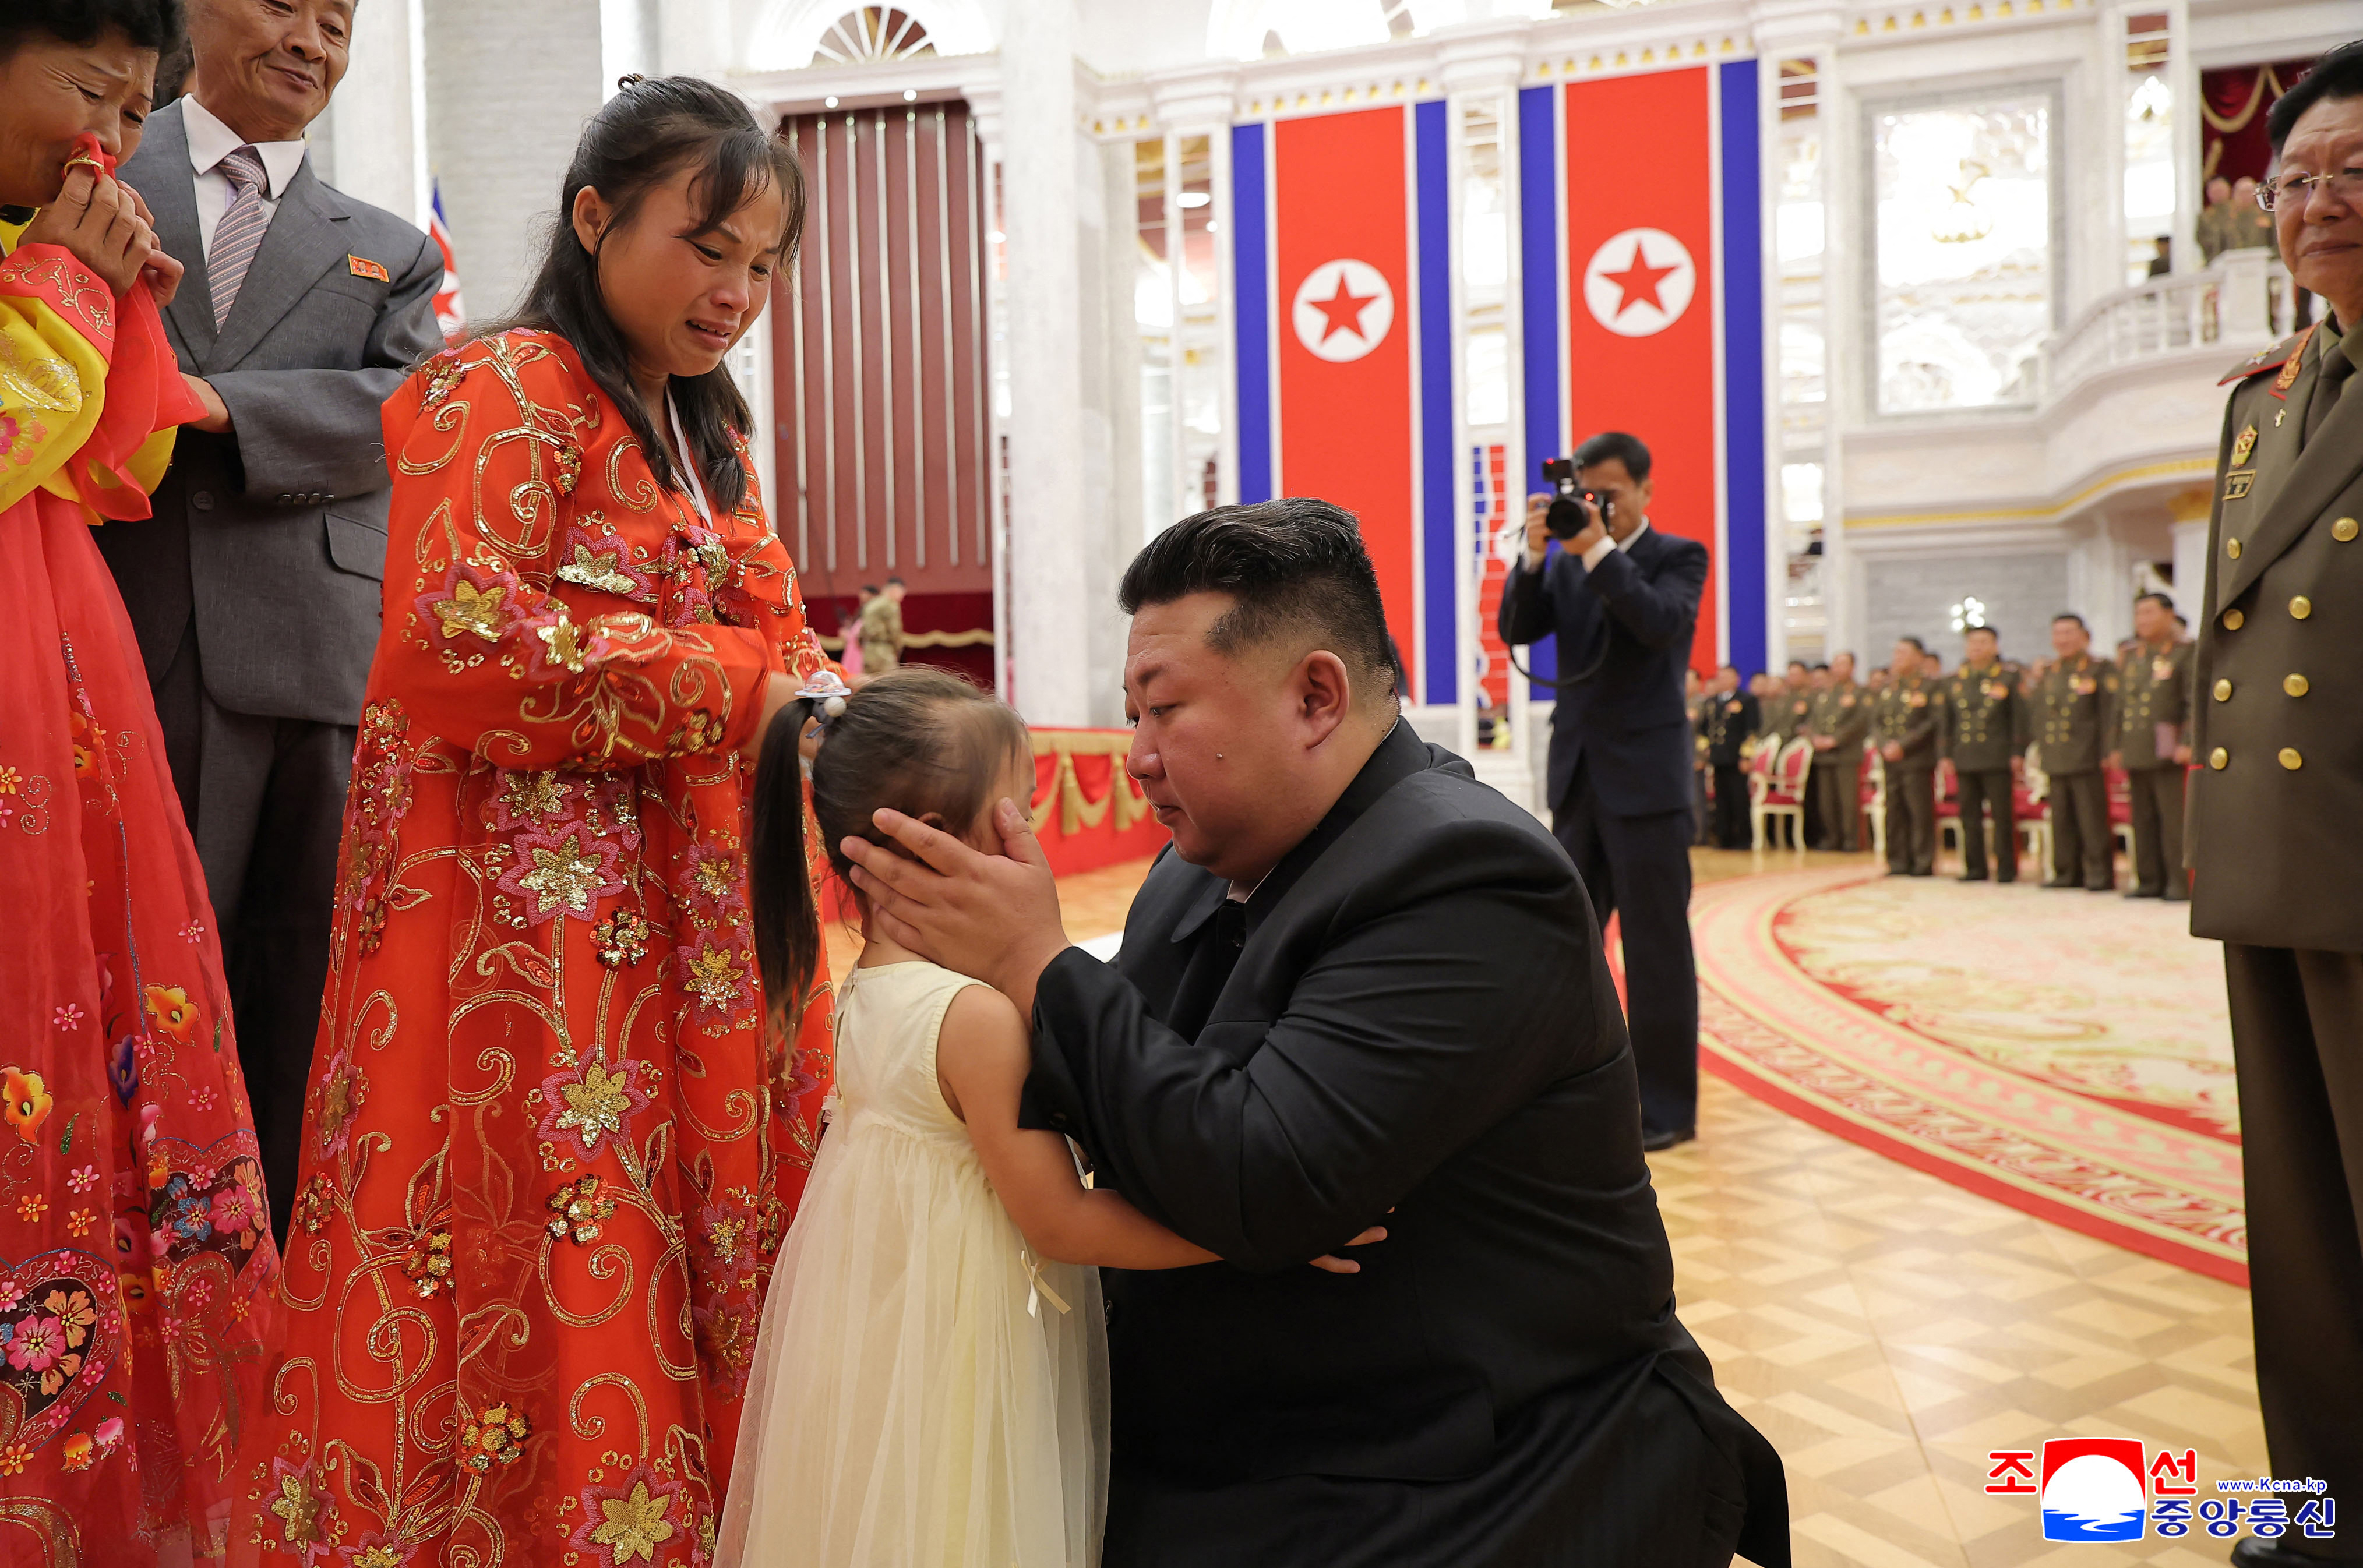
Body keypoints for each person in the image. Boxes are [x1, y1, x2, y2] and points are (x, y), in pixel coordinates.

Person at [839, 499, 1789, 1568]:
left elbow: (1259, 1179)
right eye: (1131, 715)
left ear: (1315, 694)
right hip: (1256, 1417)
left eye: (1165, 711)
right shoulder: (1200, 860)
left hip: (1457, 1458)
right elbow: (1126, 1100)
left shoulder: (1470, 875)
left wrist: (1034, 963)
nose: (1138, 757)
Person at [231, 78, 840, 1563]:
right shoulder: (499, 385)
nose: (736, 294)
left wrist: (816, 693)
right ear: (594, 217)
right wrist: (741, 687)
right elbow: (458, 641)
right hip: (526, 931)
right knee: (545, 1231)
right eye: (708, 249)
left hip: (689, 912)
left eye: (762, 265)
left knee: (676, 1231)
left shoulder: (707, 429)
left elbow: (781, 628)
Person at [722, 667, 1382, 1565]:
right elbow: (1062, 1220)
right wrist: (1259, 1226)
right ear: (938, 838)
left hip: (894, 1342)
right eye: (1019, 806)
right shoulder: (976, 1021)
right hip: (968, 1361)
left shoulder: (865, 990)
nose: (1030, 828)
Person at [0, 1, 285, 1557]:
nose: (104, 125)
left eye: (129, 93)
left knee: (88, 1003)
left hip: (62, 672)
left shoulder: (50, 234)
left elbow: (117, 467)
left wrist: (111, 302)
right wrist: (62, 279)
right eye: (77, 83)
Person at [101, 0, 445, 1239]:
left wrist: (205, 402)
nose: (312, 39)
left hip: (312, 653)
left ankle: (283, 1261)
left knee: (299, 976)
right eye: (285, 4)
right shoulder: (89, 167)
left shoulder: (389, 247)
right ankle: (133, 1244)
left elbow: (410, 408)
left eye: (340, 24)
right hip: (121, 625)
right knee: (137, 964)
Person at [2188, 44, 2363, 1567]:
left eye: (2352, 172)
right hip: (2277, 868)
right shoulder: (2268, 398)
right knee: (2304, 1233)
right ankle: (2321, 1505)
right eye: (2294, 178)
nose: (2316, 202)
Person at [1497, 431, 1709, 1149]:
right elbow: (1517, 630)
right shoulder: (1562, 561)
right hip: (1580, 777)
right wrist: (1532, 555)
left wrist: (1594, 548)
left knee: (1656, 951)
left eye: (1612, 495)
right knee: (1567, 947)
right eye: (1588, 493)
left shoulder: (1679, 557)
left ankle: (1666, 1109)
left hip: (1648, 783)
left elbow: (1658, 624)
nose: (1597, 507)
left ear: (1646, 492)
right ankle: (1570, 1092)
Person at [2109, 591, 2192, 900]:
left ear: (2170, 615)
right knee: (2141, 818)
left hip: (2167, 740)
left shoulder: (2185, 652)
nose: (2143, 620)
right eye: (2139, 614)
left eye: (2150, 613)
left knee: (2172, 818)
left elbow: (2192, 701)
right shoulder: (2133, 655)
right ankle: (2148, 880)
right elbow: (2120, 704)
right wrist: (2116, 745)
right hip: (2135, 742)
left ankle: (2178, 883)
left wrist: (2189, 740)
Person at [2030, 614, 2117, 891]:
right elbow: (2041, 715)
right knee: (2062, 820)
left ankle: (2099, 874)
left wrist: (2108, 750)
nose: (2063, 639)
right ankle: (2066, 873)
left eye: (2069, 633)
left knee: (2092, 820)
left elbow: (2108, 713)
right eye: (2058, 634)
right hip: (2056, 755)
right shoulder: (2050, 672)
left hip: (2087, 755)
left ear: (2085, 637)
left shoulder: (2099, 669)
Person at [1938, 625, 2025, 882]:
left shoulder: (2007, 678)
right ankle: (1974, 867)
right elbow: (1947, 721)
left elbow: (2019, 718)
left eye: (1984, 642)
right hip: (1965, 755)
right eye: (1973, 642)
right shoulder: (1955, 680)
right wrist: (1944, 754)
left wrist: (2018, 751)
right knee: (1969, 816)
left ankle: (2007, 868)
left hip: (1997, 755)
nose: (1977, 647)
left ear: (1995, 647)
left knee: (2001, 816)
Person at [1870, 637, 1939, 877]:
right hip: (1890, 758)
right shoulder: (1889, 688)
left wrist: (1903, 745)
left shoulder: (1929, 687)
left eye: (1904, 653)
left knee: (1919, 812)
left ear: (1919, 657)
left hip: (1916, 758)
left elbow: (1931, 723)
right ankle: (1897, 861)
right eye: (1896, 653)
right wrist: (1884, 745)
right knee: (1895, 810)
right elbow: (1876, 722)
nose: (1898, 658)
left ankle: (1922, 861)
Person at [1805, 651, 1869, 851]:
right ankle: (1831, 838)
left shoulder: (1860, 693)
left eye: (1843, 664)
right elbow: (1814, 720)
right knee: (1827, 802)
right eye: (1836, 664)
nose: (1838, 669)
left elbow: (1859, 722)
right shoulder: (1825, 694)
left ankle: (1851, 840)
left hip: (1846, 754)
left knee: (1847, 801)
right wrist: (1815, 737)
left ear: (1852, 668)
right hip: (1824, 755)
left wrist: (1835, 739)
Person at [1704, 665, 1756, 850]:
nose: (1723, 681)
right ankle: (1723, 838)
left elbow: (1752, 731)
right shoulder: (1712, 702)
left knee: (1739, 799)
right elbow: (1704, 729)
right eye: (1720, 677)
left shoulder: (1747, 700)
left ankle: (1743, 839)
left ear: (1737, 679)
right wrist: (1706, 749)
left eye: (1728, 677)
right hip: (1718, 757)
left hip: (1736, 757)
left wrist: (1746, 756)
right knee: (1721, 799)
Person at [859, 570, 907, 675]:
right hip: (884, 652)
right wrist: (898, 648)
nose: (901, 598)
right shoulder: (890, 605)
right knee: (890, 685)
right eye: (901, 593)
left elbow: (862, 630)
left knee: (870, 684)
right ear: (895, 589)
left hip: (869, 651)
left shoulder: (871, 604)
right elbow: (894, 630)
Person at [2198, 174, 2237, 263]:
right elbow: (2201, 239)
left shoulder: (2238, 211)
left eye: (2220, 191)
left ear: (2229, 190)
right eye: (2215, 192)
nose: (2218, 195)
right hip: (2216, 261)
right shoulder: (2205, 218)